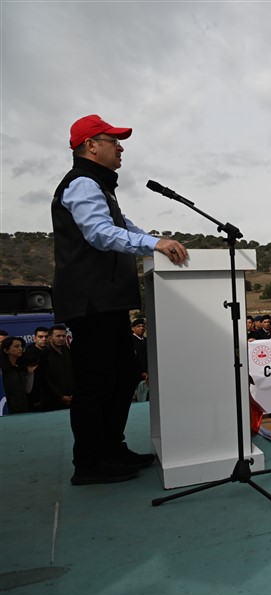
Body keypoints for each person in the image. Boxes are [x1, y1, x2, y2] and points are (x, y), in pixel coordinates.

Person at [52, 114, 188, 485]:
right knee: (95, 381)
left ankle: (111, 447)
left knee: (123, 374)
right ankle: (90, 462)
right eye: (112, 140)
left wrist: (155, 240)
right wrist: (153, 244)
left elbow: (125, 226)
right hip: (90, 300)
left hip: (106, 299)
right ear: (90, 146)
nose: (120, 146)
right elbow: (98, 233)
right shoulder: (81, 183)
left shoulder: (99, 185)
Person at [38, 324, 74, 411]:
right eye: (58, 336)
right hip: (52, 402)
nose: (61, 338)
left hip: (71, 399)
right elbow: (44, 379)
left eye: (63, 336)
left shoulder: (69, 352)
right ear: (50, 338)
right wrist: (60, 396)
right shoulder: (44, 354)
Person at [0, 337, 37, 413]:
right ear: (6, 350)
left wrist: (30, 373)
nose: (20, 349)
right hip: (7, 410)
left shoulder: (21, 368)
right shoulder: (2, 370)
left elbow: (27, 390)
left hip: (23, 408)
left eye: (21, 346)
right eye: (16, 346)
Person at [131, 318, 149, 402]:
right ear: (133, 328)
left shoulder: (147, 341)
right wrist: (141, 373)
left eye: (143, 326)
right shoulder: (131, 341)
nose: (141, 328)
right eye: (138, 326)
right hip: (135, 377)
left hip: (148, 377)